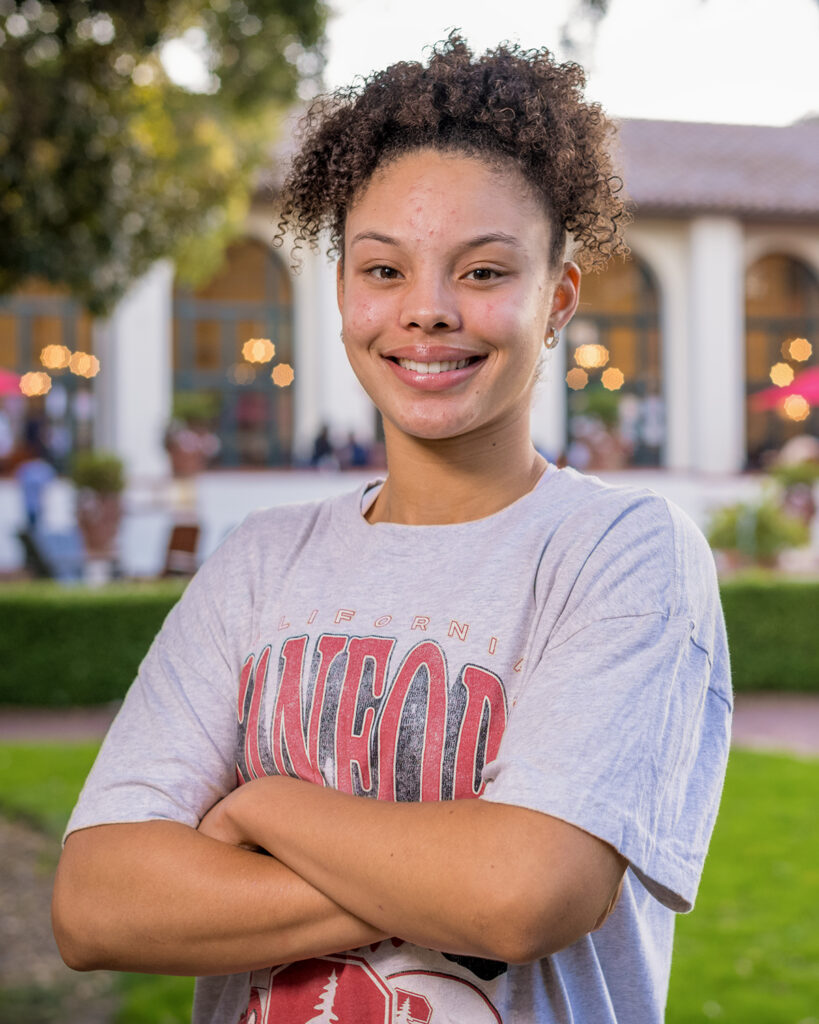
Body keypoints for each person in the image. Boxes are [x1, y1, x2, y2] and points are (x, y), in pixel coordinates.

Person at [53, 36, 731, 1024]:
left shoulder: (623, 551)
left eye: (486, 271)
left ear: (559, 300)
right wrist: (438, 872)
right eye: (383, 269)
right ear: (341, 295)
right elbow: (95, 900)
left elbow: (525, 892)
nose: (428, 311)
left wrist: (263, 812)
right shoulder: (261, 561)